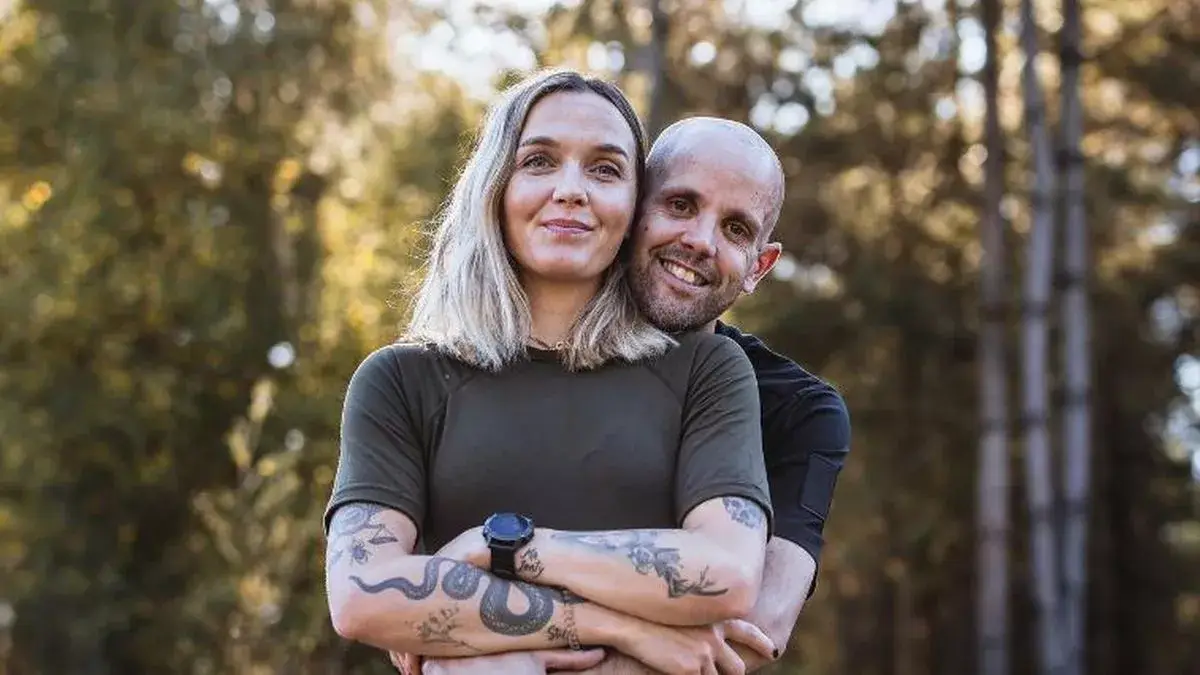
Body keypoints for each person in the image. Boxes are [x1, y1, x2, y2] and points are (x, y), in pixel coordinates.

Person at [323, 69, 779, 675]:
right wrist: (615, 626)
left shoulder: (706, 371)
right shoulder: (400, 381)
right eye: (539, 161)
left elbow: (726, 574)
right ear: (495, 185)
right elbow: (361, 597)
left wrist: (502, 548)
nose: (572, 189)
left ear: (634, 209)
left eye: (605, 169)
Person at [414, 117, 851, 674]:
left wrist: (489, 625)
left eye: (736, 230)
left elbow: (753, 632)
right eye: (680, 205)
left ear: (759, 267)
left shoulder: (800, 411)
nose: (700, 241)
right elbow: (394, 597)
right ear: (631, 208)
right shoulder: (493, 350)